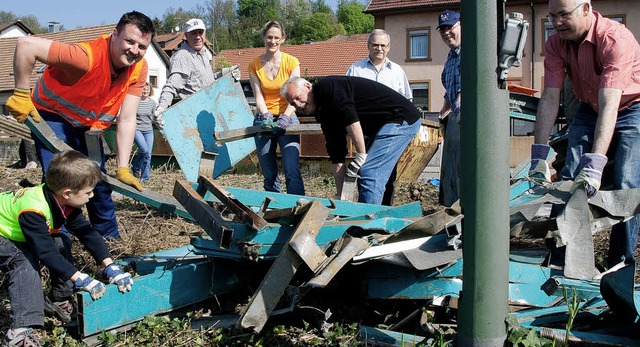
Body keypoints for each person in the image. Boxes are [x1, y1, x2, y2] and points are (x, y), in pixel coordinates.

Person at [5, 11, 156, 239]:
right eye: (129, 41)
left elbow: (126, 118)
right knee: (62, 182)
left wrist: (123, 167)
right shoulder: (85, 56)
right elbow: (26, 45)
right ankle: (58, 243)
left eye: (142, 46)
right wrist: (20, 93)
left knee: (100, 182)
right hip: (53, 116)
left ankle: (110, 243)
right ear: (114, 35)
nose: (135, 50)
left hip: (89, 128)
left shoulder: (139, 68)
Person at [529, 0, 640, 267]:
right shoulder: (556, 42)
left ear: (586, 9)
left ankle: (619, 265)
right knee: (568, 178)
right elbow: (550, 97)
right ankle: (559, 259)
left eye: (563, 15)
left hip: (631, 107)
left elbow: (610, 104)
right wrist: (539, 154)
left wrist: (596, 163)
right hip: (588, 108)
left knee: (625, 183)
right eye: (552, 16)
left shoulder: (615, 39)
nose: (556, 23)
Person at [0, 150, 134, 347]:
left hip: (15, 231)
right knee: (23, 262)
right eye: (88, 192)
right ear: (68, 193)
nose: (92, 195)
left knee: (60, 241)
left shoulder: (61, 201)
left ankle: (59, 298)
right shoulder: (33, 208)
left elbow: (86, 232)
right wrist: (81, 278)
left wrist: (110, 266)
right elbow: (44, 252)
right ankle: (18, 332)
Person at [281, 76, 421, 205]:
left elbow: (351, 118)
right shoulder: (323, 114)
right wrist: (341, 201)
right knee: (366, 173)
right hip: (381, 126)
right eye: (293, 103)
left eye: (298, 98)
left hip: (400, 118)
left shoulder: (328, 87)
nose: (298, 105)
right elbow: (337, 158)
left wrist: (361, 154)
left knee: (370, 172)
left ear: (307, 86)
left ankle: (366, 224)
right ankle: (367, 216)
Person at [347, 28, 412, 205]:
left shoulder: (397, 71)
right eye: (375, 44)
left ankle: (385, 210)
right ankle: (365, 208)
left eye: (383, 45)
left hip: (391, 130)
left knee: (388, 174)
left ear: (389, 47)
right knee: (365, 170)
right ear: (368, 46)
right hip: (366, 131)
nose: (379, 48)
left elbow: (407, 101)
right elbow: (347, 100)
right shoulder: (356, 69)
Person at [248, 21, 304, 195]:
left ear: (283, 39)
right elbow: (258, 95)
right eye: (269, 37)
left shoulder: (291, 62)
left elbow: (296, 95)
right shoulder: (254, 65)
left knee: (291, 170)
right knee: (269, 173)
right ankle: (274, 209)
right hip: (264, 119)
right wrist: (265, 115)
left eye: (276, 38)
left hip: (287, 115)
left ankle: (297, 208)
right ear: (263, 38)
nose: (272, 41)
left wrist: (286, 117)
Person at [156, 18, 241, 122]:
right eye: (193, 33)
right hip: (192, 116)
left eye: (200, 32)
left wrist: (225, 73)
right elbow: (172, 85)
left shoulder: (204, 54)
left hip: (208, 111)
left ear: (204, 34)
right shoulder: (183, 56)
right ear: (186, 36)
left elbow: (206, 81)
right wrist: (162, 108)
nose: (198, 37)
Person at [437, 9, 462, 208]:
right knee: (451, 170)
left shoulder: (470, 52)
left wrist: (458, 107)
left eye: (450, 27)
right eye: (443, 29)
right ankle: (452, 208)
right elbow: (450, 89)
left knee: (463, 169)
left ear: (460, 26)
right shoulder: (450, 57)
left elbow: (469, 84)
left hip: (468, 120)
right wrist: (444, 109)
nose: (447, 32)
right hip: (455, 119)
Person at [132, 83, 157, 183]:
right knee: (144, 150)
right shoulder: (135, 102)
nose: (145, 91)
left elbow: (155, 117)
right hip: (137, 129)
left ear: (150, 90)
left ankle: (145, 179)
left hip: (148, 130)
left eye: (147, 89)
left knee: (148, 154)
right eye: (143, 89)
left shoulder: (152, 103)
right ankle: (136, 168)